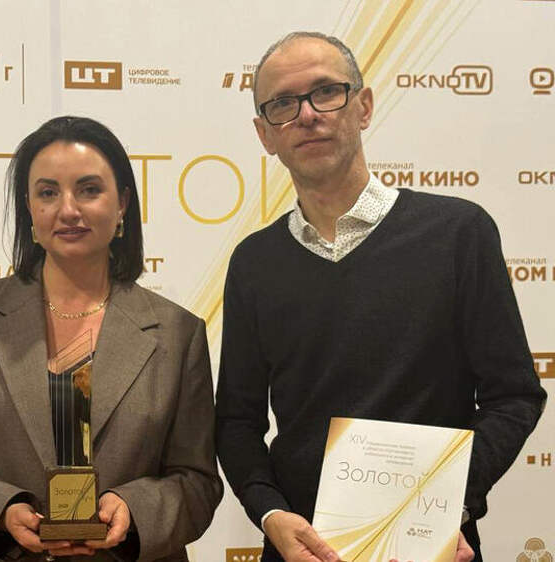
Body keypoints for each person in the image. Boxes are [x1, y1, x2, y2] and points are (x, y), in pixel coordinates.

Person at [215, 31, 546, 562]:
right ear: (265, 134)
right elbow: (236, 423)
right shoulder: (254, 263)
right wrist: (270, 513)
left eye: (326, 92)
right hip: (301, 550)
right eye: (283, 104)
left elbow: (515, 396)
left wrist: (446, 504)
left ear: (364, 106)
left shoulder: (458, 234)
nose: (307, 114)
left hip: (431, 546)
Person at [0, 116, 222, 561]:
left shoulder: (178, 333)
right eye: (48, 193)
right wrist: (1, 512)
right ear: (29, 208)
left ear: (122, 204)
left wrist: (135, 509)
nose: (68, 210)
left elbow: (197, 481)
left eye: (89, 190)